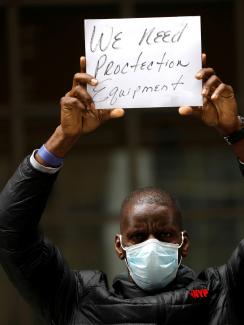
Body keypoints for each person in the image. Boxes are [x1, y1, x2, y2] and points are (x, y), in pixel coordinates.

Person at [0, 55, 244, 325]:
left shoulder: (223, 295)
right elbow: (11, 232)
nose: (152, 245)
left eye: (164, 234)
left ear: (183, 243)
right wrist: (63, 137)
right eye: (138, 236)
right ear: (120, 245)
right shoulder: (78, 301)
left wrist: (235, 131)